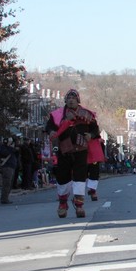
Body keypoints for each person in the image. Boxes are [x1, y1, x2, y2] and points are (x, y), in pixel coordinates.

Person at [45, 89, 99, 218]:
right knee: (63, 179)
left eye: (73, 98)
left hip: (81, 151)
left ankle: (79, 205)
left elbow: (95, 130)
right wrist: (51, 132)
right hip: (64, 151)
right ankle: (63, 204)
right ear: (65, 100)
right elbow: (49, 127)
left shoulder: (87, 115)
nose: (71, 100)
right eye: (68, 98)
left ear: (78, 100)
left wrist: (90, 135)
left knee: (80, 179)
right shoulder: (57, 115)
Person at [0, 137, 18, 205]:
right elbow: (4, 153)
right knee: (6, 183)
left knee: (9, 183)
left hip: (11, 166)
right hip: (7, 167)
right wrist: (12, 148)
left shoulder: (10, 148)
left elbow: (17, 154)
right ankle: (4, 198)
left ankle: (6, 198)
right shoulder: (3, 148)